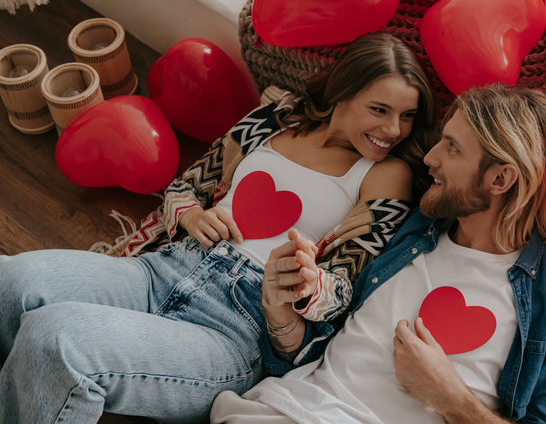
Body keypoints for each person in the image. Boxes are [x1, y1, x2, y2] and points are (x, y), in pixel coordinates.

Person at [0, 32, 436, 423]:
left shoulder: (386, 174)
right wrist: (191, 215)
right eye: (379, 109)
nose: (393, 129)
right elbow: (184, 189)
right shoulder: (276, 117)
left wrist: (306, 280)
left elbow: (342, 290)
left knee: (57, 338)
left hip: (233, 325)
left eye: (407, 116)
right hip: (164, 269)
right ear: (343, 93)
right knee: (11, 280)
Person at [210, 83, 546, 424]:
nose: (430, 158)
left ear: (500, 178)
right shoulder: (413, 229)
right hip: (285, 409)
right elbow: (309, 353)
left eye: (452, 148)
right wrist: (280, 313)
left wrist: (449, 398)